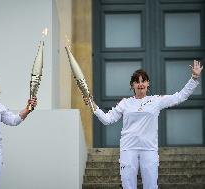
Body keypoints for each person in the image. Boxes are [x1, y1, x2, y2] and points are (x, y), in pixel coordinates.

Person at [84, 60, 203, 189]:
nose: (140, 84)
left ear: (148, 83)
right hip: (128, 149)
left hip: (149, 149)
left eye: (143, 81)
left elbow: (180, 96)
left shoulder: (156, 100)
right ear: (132, 85)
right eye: (137, 81)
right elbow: (107, 119)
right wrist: (92, 104)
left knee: (151, 186)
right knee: (128, 186)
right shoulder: (125, 103)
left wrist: (194, 78)